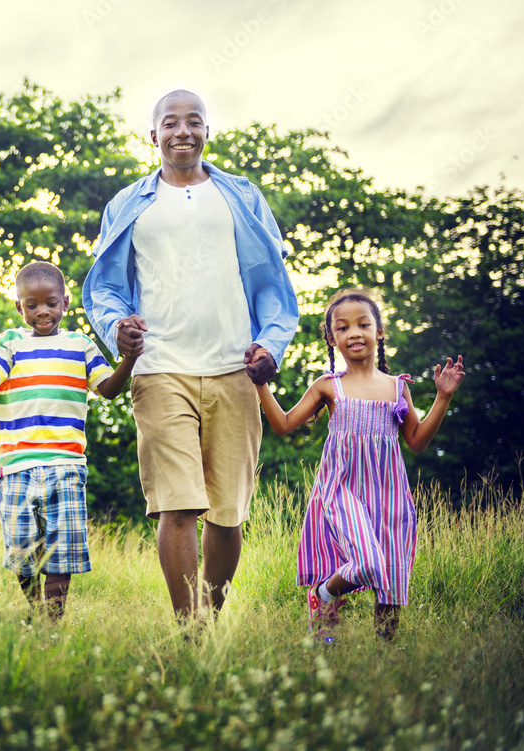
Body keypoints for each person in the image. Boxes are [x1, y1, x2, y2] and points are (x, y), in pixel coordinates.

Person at [82, 89, 299, 624]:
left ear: (207, 132)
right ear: (152, 135)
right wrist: (117, 327)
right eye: (170, 123)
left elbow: (273, 284)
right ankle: (188, 633)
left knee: (227, 514)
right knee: (176, 504)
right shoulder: (128, 203)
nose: (183, 131)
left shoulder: (241, 196)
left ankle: (211, 614)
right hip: (158, 368)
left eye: (193, 122)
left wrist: (271, 345)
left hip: (233, 367)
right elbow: (105, 287)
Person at [255, 289, 465, 641]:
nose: (354, 332)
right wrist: (260, 384)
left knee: (391, 582)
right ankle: (322, 596)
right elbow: (283, 425)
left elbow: (416, 441)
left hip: (391, 497)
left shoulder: (398, 388)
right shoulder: (328, 386)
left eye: (363, 324)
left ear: (379, 332)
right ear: (332, 338)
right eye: (343, 327)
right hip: (342, 492)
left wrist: (443, 397)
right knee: (368, 564)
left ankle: (383, 661)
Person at [0, 261, 141, 620]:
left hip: (65, 463)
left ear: (65, 303)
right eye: (31, 305)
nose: (42, 311)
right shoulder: (9, 343)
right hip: (14, 464)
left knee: (62, 547)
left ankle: (52, 619)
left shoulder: (80, 345)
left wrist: (128, 359)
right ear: (20, 307)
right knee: (22, 549)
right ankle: (35, 609)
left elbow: (109, 389)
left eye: (50, 302)